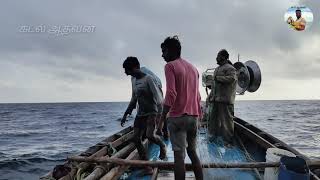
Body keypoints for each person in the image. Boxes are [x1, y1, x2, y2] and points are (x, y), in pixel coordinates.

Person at [158, 36, 203, 180]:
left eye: (164, 51)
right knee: (192, 152)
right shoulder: (194, 69)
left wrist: (161, 120)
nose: (162, 55)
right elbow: (198, 96)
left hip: (177, 117)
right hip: (194, 117)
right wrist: (199, 116)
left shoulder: (170, 66)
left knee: (179, 157)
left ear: (171, 51)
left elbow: (171, 93)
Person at [121, 56, 167, 163]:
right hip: (141, 113)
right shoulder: (133, 80)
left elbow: (159, 100)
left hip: (152, 112)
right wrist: (125, 114)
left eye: (128, 70)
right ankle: (146, 164)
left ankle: (162, 145)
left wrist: (160, 119)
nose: (127, 73)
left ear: (136, 67)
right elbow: (134, 98)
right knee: (136, 139)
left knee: (150, 136)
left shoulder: (148, 79)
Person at [207, 49, 237, 144]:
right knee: (213, 120)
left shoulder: (230, 68)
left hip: (225, 100)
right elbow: (214, 85)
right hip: (216, 100)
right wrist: (210, 97)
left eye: (218, 56)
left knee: (227, 122)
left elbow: (232, 78)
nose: (216, 58)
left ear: (223, 57)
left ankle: (228, 141)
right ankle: (212, 138)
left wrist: (218, 78)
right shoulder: (217, 69)